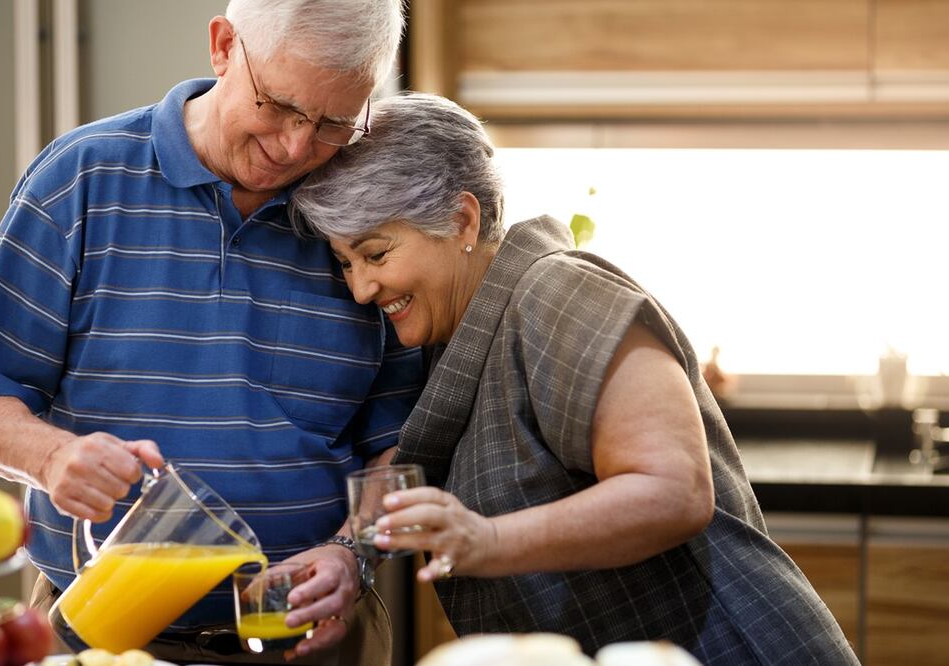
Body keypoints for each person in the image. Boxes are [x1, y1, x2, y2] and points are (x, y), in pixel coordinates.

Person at [0, 2, 422, 664]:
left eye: (333, 123)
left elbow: (405, 450)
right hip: (100, 634)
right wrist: (49, 457)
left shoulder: (365, 218)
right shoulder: (81, 178)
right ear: (222, 47)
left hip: (310, 640)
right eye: (277, 106)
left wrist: (353, 553)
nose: (297, 147)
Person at [289, 93, 860, 664]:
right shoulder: (456, 340)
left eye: (377, 253)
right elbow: (414, 461)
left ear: (463, 219)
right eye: (346, 262)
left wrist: (484, 541)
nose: (362, 289)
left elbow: (676, 491)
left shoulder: (559, 292)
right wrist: (346, 552)